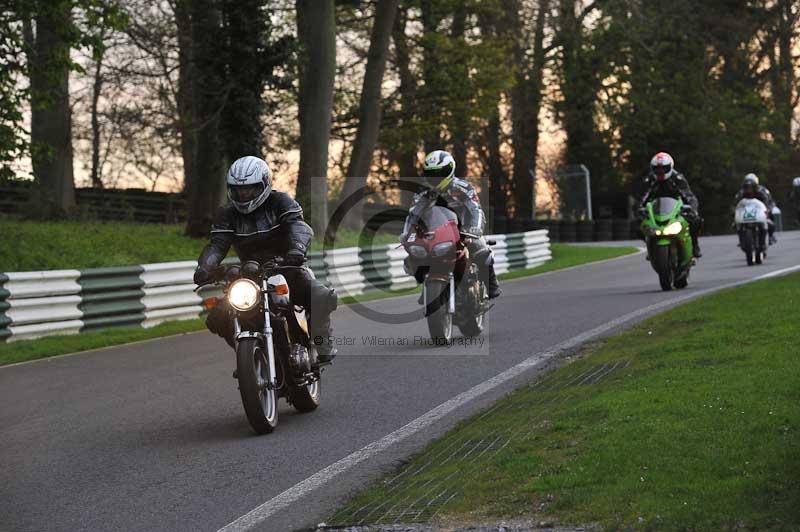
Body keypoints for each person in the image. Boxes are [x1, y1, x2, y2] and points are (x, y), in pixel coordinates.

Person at [193, 156, 338, 363]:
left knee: (320, 296)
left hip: (286, 266)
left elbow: (298, 226)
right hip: (248, 274)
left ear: (264, 184)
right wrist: (205, 267)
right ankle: (251, 359)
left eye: (250, 189)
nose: (243, 194)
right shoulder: (227, 214)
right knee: (218, 318)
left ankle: (321, 341)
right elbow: (217, 244)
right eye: (238, 190)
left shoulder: (280, 202)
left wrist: (296, 250)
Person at [405, 150, 501, 298]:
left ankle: (491, 285)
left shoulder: (463, 187)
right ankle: (429, 286)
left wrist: (475, 229)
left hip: (465, 230)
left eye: (439, 173)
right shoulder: (423, 192)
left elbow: (476, 209)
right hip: (436, 233)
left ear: (450, 170)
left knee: (482, 251)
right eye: (431, 174)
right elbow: (413, 214)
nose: (435, 178)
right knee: (414, 254)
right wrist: (407, 233)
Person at [638, 152, 703, 258]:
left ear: (670, 167)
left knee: (696, 220)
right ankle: (650, 246)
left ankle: (695, 245)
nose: (660, 171)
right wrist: (639, 209)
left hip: (675, 209)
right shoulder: (649, 180)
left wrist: (692, 208)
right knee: (638, 225)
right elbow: (640, 197)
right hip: (655, 210)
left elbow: (689, 195)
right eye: (657, 169)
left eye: (664, 168)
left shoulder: (677, 178)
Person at [734, 173, 776, 245]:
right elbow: (736, 203)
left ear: (755, 185)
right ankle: (742, 239)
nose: (749, 189)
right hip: (746, 213)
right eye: (747, 186)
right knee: (735, 224)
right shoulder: (741, 192)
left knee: (770, 221)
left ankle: (770, 236)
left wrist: (768, 209)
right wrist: (735, 210)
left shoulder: (763, 191)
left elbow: (769, 201)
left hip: (760, 212)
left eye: (751, 186)